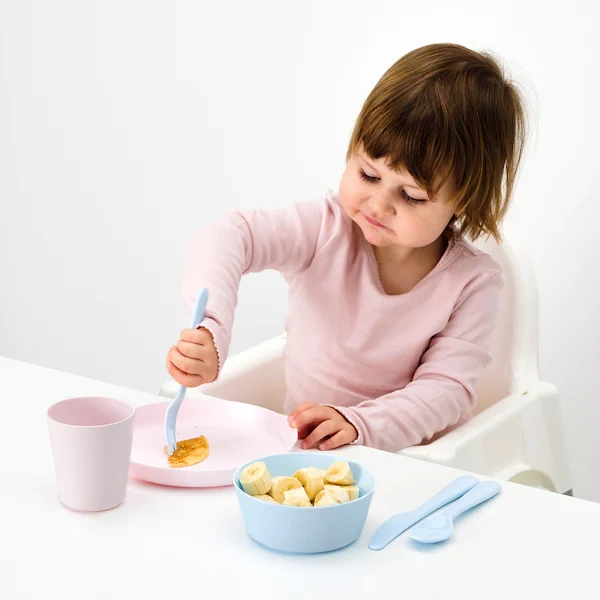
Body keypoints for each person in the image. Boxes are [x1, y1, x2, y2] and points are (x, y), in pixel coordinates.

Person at [166, 42, 526, 454]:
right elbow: (229, 235)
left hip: (414, 463)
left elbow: (447, 389)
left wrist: (360, 424)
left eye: (411, 195)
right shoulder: (323, 228)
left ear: (464, 200)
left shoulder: (473, 283)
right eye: (368, 174)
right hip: (309, 457)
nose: (378, 205)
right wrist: (210, 329)